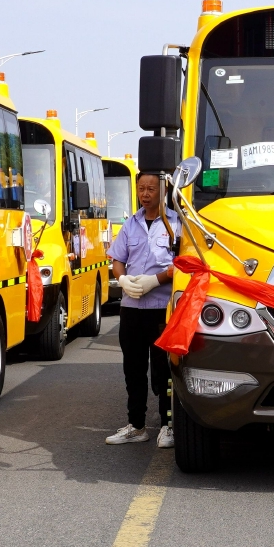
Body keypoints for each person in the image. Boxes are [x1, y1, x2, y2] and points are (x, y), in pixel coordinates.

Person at [104, 171, 180, 449]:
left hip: (162, 309)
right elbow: (117, 259)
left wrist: (156, 280)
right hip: (132, 308)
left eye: (150, 188)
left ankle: (167, 426)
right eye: (141, 189)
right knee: (133, 370)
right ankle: (136, 426)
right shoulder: (131, 224)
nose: (145, 194)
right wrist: (122, 279)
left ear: (163, 190)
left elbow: (184, 264)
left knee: (164, 371)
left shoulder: (176, 224)